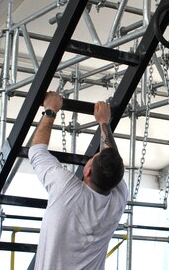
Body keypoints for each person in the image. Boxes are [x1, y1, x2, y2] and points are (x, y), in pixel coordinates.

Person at [28, 91, 128, 270]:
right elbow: (112, 159)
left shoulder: (67, 190)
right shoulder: (118, 198)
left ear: (87, 172)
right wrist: (104, 122)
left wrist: (50, 110)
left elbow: (37, 152)